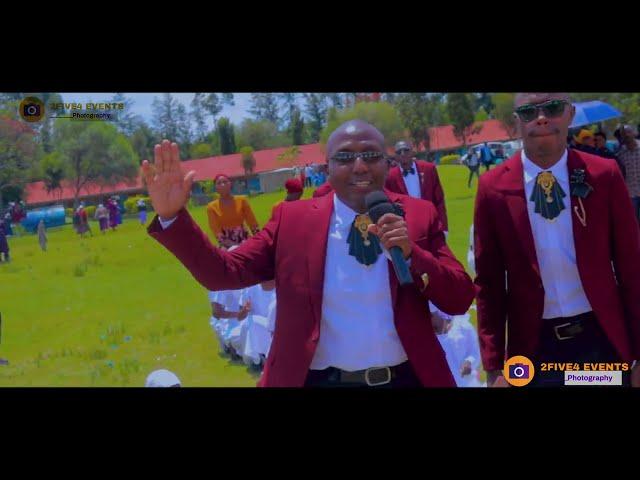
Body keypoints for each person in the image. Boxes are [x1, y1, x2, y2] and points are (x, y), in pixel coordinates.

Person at [143, 120, 475, 387]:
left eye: (371, 155)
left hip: (404, 378)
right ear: (326, 168)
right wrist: (174, 218)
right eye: (345, 157)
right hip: (319, 379)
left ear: (386, 163)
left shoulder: (418, 215)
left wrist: (412, 254)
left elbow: (460, 297)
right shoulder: (293, 221)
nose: (359, 166)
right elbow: (224, 272)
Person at [474, 93, 640, 387]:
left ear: (570, 114)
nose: (541, 118)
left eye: (552, 108)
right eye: (528, 112)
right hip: (533, 351)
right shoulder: (492, 188)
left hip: (599, 343)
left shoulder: (603, 175)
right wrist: (494, 367)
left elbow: (632, 268)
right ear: (516, 123)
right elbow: (489, 284)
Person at [384, 140, 449, 233]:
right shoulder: (391, 177)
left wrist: (444, 226)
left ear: (412, 152)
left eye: (406, 150)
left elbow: (439, 200)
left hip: (431, 222)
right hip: (407, 228)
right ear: (395, 156)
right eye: (399, 152)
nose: (402, 154)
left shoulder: (429, 169)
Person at [431, 303, 484, 387]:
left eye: (431, 315)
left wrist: (469, 362)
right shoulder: (427, 339)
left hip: (468, 383)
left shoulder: (463, 327)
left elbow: (475, 352)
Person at [206, 174, 259, 249]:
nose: (223, 184)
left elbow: (252, 222)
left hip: (244, 238)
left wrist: (258, 240)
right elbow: (216, 231)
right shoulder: (211, 207)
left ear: (230, 184)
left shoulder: (242, 200)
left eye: (225, 181)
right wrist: (233, 245)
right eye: (219, 183)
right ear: (216, 187)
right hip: (226, 243)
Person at [239, 280, 276, 367]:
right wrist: (245, 310)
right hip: (255, 328)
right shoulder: (250, 288)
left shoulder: (282, 287)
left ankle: (264, 359)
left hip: (275, 325)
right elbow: (240, 317)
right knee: (250, 321)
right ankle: (257, 358)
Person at [616, 125, 640, 223]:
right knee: (633, 220)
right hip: (630, 192)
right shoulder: (620, 153)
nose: (626, 135)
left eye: (628, 132)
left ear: (634, 133)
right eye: (623, 134)